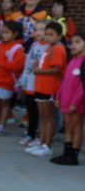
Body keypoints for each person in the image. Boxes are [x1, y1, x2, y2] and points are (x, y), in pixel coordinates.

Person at [28, 21, 69, 158]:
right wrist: (36, 66)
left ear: (59, 36)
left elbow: (56, 69)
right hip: (41, 86)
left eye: (51, 35)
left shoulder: (59, 49)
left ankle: (48, 145)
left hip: (50, 87)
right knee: (43, 117)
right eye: (46, 34)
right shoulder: (49, 48)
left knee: (49, 117)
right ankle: (42, 142)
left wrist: (37, 70)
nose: (47, 37)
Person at [0, 20, 25, 137]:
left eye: (7, 32)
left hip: (7, 81)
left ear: (15, 34)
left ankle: (2, 124)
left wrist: (0, 64)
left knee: (5, 104)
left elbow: (18, 66)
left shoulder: (18, 48)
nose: (4, 35)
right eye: (3, 32)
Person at [51, 33, 85, 165]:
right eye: (72, 42)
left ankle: (74, 155)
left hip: (76, 102)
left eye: (78, 42)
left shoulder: (83, 62)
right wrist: (58, 96)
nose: (73, 45)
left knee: (76, 127)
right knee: (68, 127)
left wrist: (75, 102)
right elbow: (65, 81)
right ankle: (66, 153)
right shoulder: (72, 61)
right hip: (66, 99)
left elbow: (82, 86)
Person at [18, 22, 50, 148]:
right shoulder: (34, 45)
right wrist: (24, 78)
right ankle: (30, 134)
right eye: (36, 29)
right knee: (31, 110)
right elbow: (28, 64)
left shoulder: (49, 47)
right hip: (31, 83)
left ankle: (41, 136)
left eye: (42, 29)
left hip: (42, 84)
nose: (39, 32)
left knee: (42, 112)